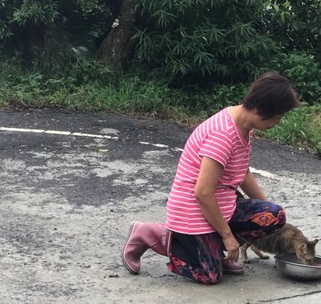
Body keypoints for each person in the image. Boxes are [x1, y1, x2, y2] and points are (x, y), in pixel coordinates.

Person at [121, 71, 301, 284]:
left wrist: (266, 206)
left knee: (274, 215)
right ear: (261, 109)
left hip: (223, 205)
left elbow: (242, 171)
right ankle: (152, 233)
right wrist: (227, 236)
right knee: (209, 275)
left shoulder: (245, 127)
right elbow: (203, 193)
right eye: (278, 116)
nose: (278, 122)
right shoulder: (223, 135)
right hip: (194, 210)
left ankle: (215, 250)